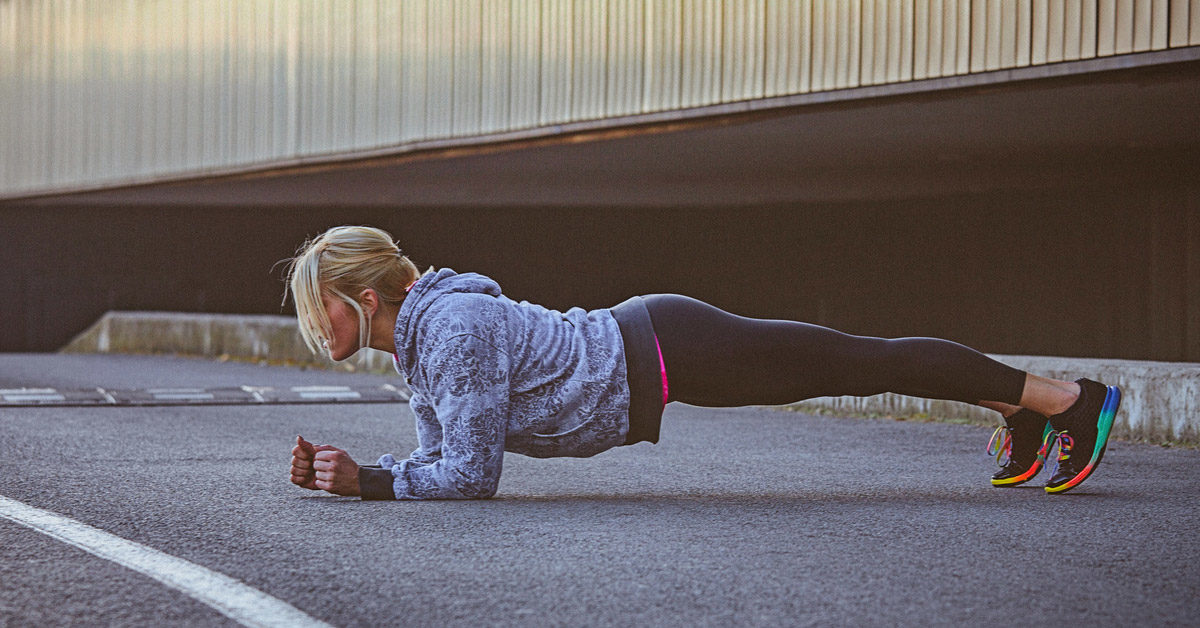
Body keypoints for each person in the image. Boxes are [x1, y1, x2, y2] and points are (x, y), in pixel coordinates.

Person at [285, 225, 1122, 500]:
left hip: (665, 347)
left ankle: (1066, 401)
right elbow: (439, 459)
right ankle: (1023, 407)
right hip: (658, 358)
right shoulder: (424, 344)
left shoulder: (454, 328)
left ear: (363, 293)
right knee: (852, 362)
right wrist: (355, 473)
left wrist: (368, 481)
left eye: (317, 301)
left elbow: (466, 476)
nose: (312, 324)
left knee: (860, 362)